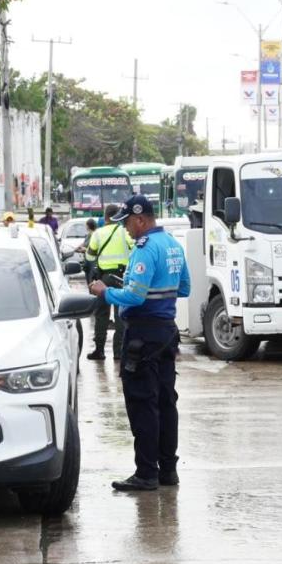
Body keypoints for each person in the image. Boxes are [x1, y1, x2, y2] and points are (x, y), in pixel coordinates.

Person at [89, 194, 190, 492]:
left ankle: (146, 472)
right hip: (166, 333)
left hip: (142, 337)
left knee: (142, 403)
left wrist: (104, 292)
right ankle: (168, 470)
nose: (127, 230)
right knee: (165, 402)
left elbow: (134, 297)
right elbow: (184, 288)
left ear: (141, 219)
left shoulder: (146, 249)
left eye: (128, 224)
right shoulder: (173, 244)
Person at [83, 204, 134, 360]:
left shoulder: (98, 233)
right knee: (121, 314)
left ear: (105, 217)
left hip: (103, 278)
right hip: (121, 277)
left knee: (101, 314)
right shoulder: (124, 231)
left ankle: (99, 350)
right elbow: (134, 247)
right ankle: (118, 352)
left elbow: (90, 257)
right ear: (117, 216)